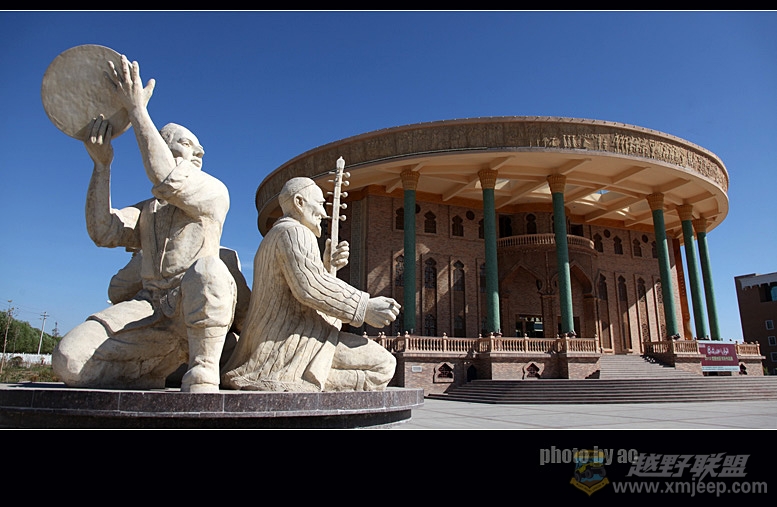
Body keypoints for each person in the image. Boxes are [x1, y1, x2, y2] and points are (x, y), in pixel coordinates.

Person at [52, 54, 237, 393]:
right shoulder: (147, 210)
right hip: (150, 309)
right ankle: (157, 366)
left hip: (193, 306)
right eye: (185, 144)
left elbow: (165, 177)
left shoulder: (214, 192)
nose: (198, 152)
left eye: (196, 147)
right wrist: (102, 166)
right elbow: (103, 231)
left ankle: (204, 366)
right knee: (70, 361)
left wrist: (137, 110)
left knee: (209, 270)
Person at [221, 177, 399, 392]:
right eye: (320, 204)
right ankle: (298, 376)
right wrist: (364, 307)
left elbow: (300, 286)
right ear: (299, 202)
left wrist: (326, 266)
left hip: (280, 337)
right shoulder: (294, 232)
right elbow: (310, 287)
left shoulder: (274, 235)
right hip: (289, 340)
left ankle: (307, 375)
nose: (323, 213)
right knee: (384, 365)